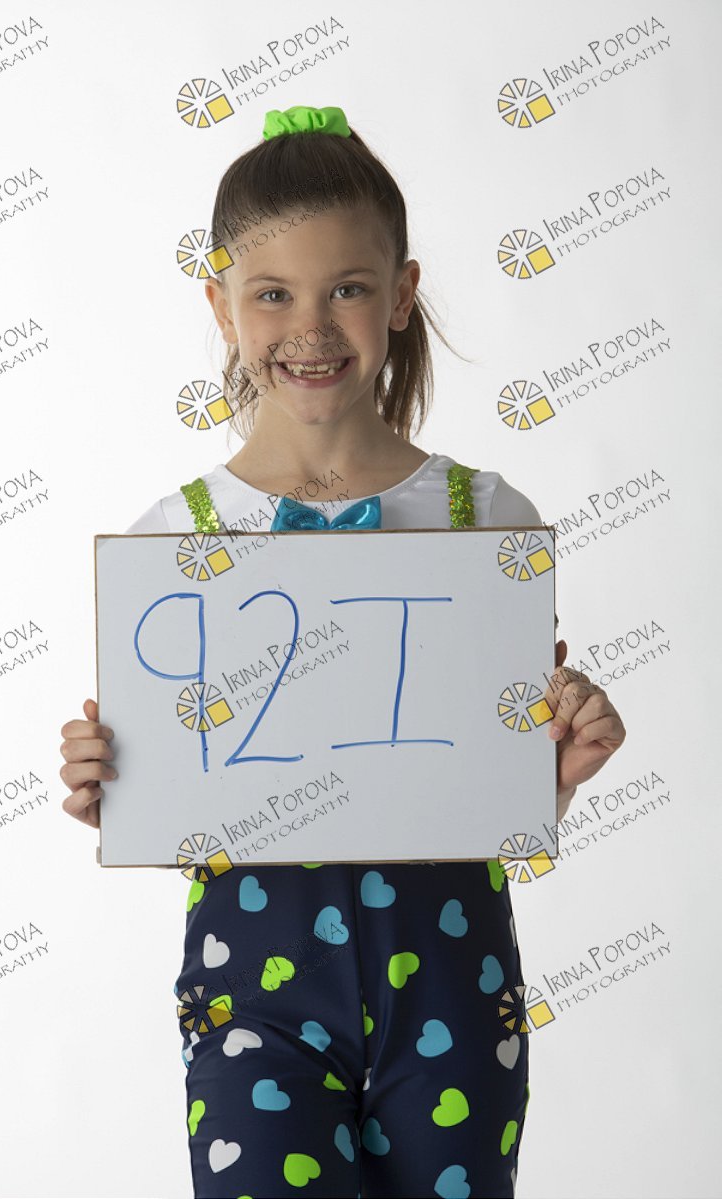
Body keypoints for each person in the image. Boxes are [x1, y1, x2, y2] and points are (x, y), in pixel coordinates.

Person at [59, 105, 626, 1198]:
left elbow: (482, 789)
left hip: (452, 980)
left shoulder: (485, 519)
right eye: (272, 292)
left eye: (348, 288)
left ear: (401, 295)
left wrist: (553, 773)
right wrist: (112, 785)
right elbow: (175, 791)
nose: (309, 326)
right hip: (254, 994)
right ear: (221, 304)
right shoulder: (171, 542)